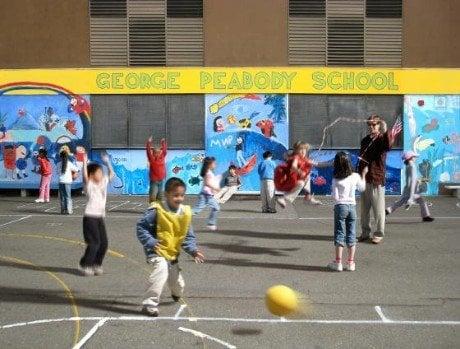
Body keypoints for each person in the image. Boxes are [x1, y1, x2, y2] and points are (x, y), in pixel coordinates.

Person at [136, 177, 204, 317]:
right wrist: (151, 242)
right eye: (175, 195)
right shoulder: (156, 210)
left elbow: (187, 236)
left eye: (182, 195)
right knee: (161, 270)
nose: (179, 198)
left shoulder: (185, 213)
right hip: (156, 250)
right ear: (166, 194)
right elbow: (141, 228)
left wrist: (193, 251)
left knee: (178, 285)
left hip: (172, 253)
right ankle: (149, 304)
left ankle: (175, 294)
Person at [357, 115, 394, 244]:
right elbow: (362, 159)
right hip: (365, 178)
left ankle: (379, 233)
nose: (372, 127)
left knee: (378, 209)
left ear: (379, 125)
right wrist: (359, 175)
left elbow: (388, 145)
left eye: (375, 124)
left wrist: (385, 129)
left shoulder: (382, 139)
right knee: (364, 210)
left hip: (376, 178)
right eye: (370, 125)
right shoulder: (365, 140)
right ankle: (365, 232)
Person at [327, 152, 367, 272]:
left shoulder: (336, 178)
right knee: (351, 234)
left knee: (339, 233)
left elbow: (335, 196)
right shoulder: (355, 176)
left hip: (340, 206)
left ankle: (338, 262)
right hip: (352, 206)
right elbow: (362, 188)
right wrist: (363, 175)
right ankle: (351, 263)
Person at [78, 153, 114, 276]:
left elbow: (112, 175)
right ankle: (85, 264)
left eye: (101, 172)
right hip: (90, 217)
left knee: (104, 244)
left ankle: (96, 264)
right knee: (94, 243)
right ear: (92, 175)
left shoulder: (103, 182)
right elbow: (85, 177)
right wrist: (84, 162)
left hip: (99, 217)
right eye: (98, 172)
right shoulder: (89, 185)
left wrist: (107, 163)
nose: (101, 174)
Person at [276, 142, 329, 208]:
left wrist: (332, 163)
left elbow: (317, 164)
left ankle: (308, 196)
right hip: (289, 180)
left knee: (307, 176)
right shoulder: (296, 157)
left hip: (295, 180)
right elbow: (293, 166)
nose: (303, 151)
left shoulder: (305, 159)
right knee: (301, 182)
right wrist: (300, 171)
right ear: (296, 151)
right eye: (301, 149)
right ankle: (284, 198)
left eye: (305, 149)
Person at [386, 151, 434, 222]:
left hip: (409, 189)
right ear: (411, 158)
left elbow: (411, 179)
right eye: (414, 157)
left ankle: (426, 216)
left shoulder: (409, 166)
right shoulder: (412, 166)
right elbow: (412, 181)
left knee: (400, 203)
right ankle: (425, 216)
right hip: (411, 189)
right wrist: (411, 196)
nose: (415, 158)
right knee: (399, 203)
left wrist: (420, 181)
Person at [193, 157, 220, 231]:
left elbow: (209, 182)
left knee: (197, 209)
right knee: (215, 208)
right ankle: (211, 224)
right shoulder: (208, 173)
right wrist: (215, 188)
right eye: (214, 163)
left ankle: (211, 224)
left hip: (206, 194)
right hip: (206, 195)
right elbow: (207, 183)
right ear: (209, 165)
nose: (215, 164)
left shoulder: (208, 172)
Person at [58, 146, 79, 215]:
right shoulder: (69, 163)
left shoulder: (59, 164)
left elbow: (57, 172)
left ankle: (62, 210)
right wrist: (73, 175)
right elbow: (77, 169)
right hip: (68, 181)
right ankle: (69, 210)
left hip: (61, 181)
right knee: (68, 196)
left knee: (62, 197)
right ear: (67, 156)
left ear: (60, 157)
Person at [146, 136, 167, 203]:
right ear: (153, 153)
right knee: (152, 196)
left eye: (159, 152)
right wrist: (149, 142)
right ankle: (151, 208)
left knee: (160, 196)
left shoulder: (162, 157)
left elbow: (164, 151)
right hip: (154, 181)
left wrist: (163, 142)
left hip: (161, 180)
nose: (157, 154)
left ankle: (158, 209)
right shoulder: (151, 159)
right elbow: (148, 151)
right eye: (156, 152)